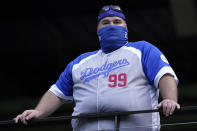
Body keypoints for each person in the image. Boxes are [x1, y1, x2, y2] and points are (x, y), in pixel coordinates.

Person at [14, 5, 180, 131]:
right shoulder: (80, 61)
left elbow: (164, 75)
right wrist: (38, 112)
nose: (111, 25)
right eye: (105, 22)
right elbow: (57, 92)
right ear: (98, 30)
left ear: (126, 28)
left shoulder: (142, 50)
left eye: (117, 21)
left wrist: (170, 99)